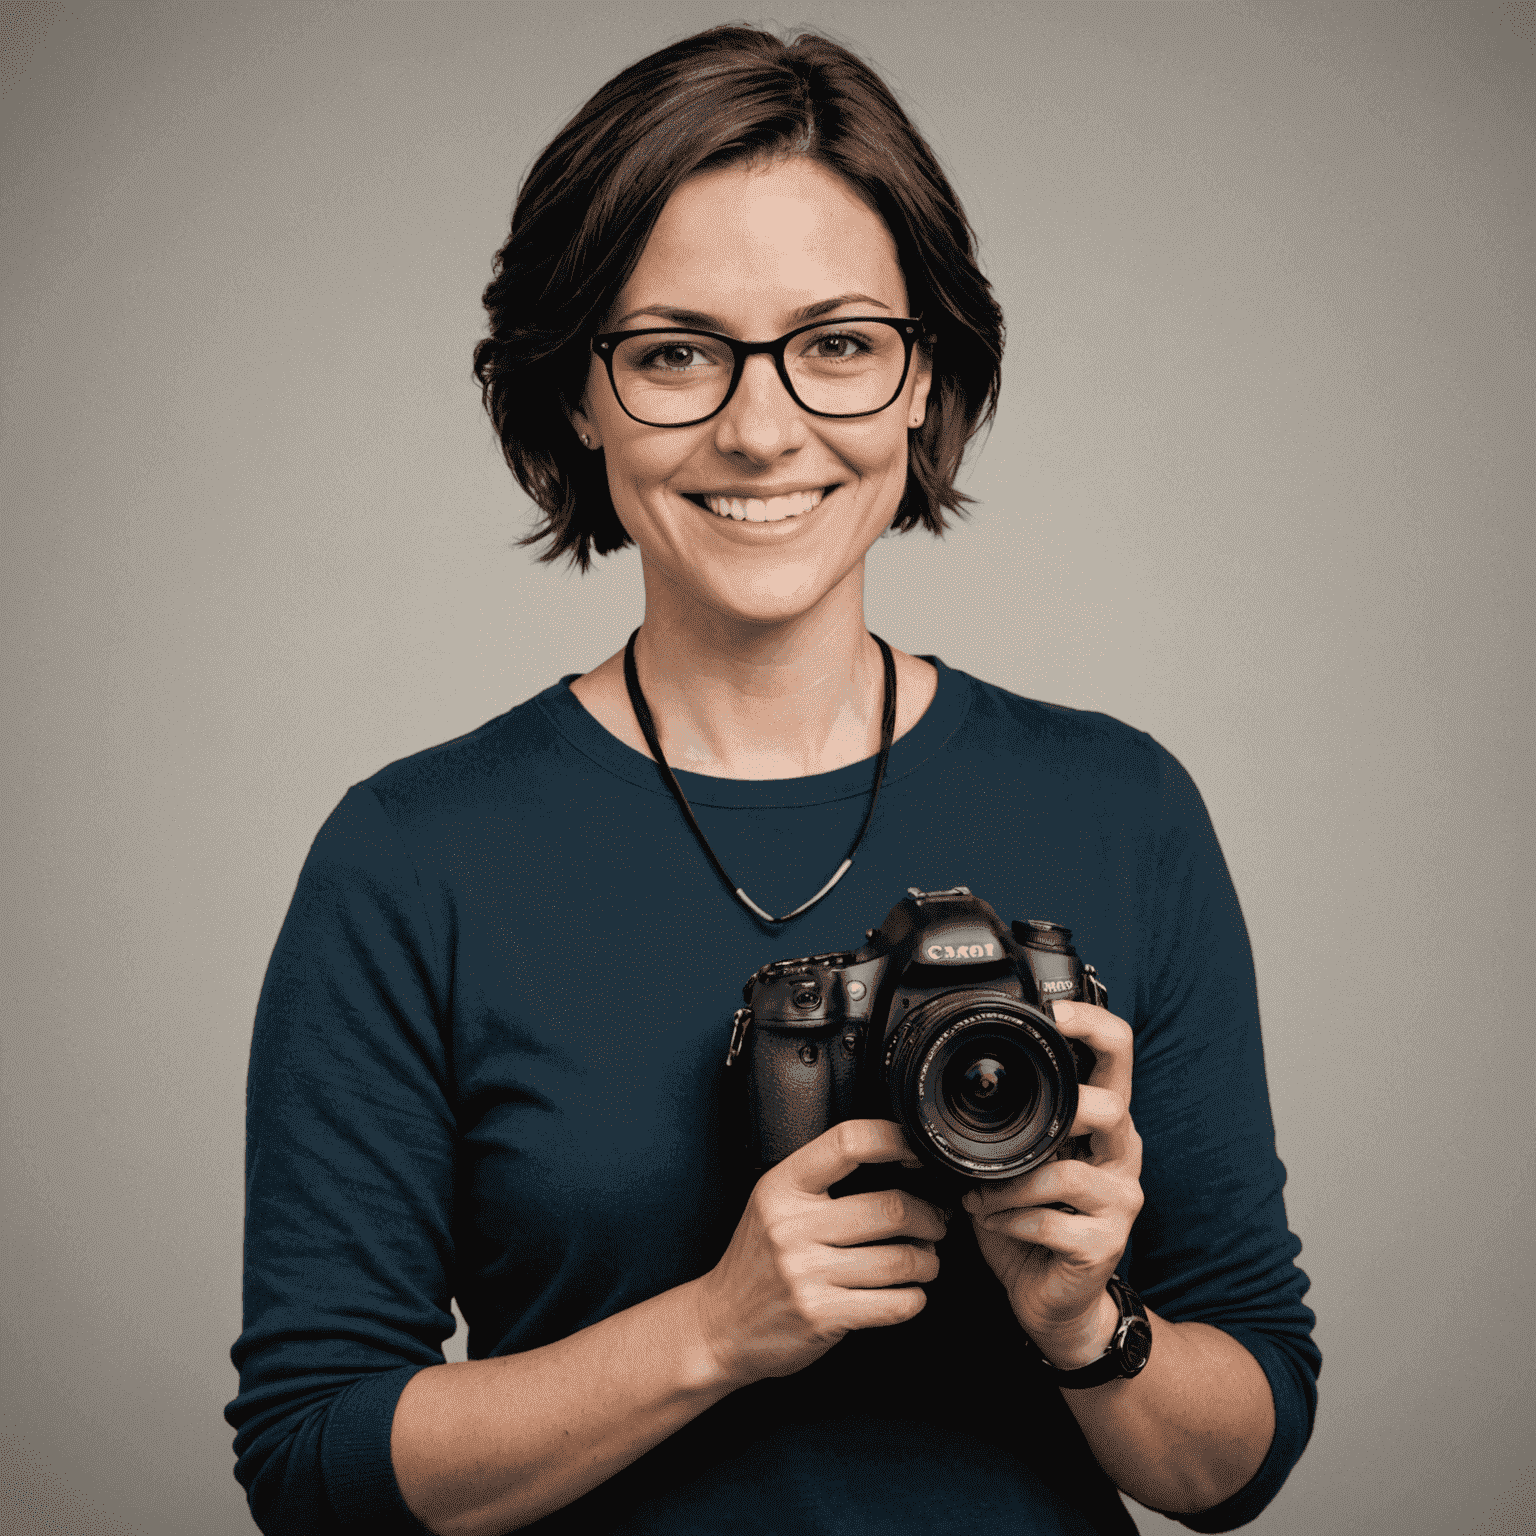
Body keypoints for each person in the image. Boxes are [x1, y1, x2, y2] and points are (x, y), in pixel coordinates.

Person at [226, 25, 1318, 1536]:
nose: (761, 424)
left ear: (923, 378)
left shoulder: (1123, 809)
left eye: (839, 343)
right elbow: (312, 1464)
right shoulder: (412, 858)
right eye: (675, 350)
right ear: (576, 394)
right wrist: (716, 1331)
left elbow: (1235, 1464)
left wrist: (1090, 1327)